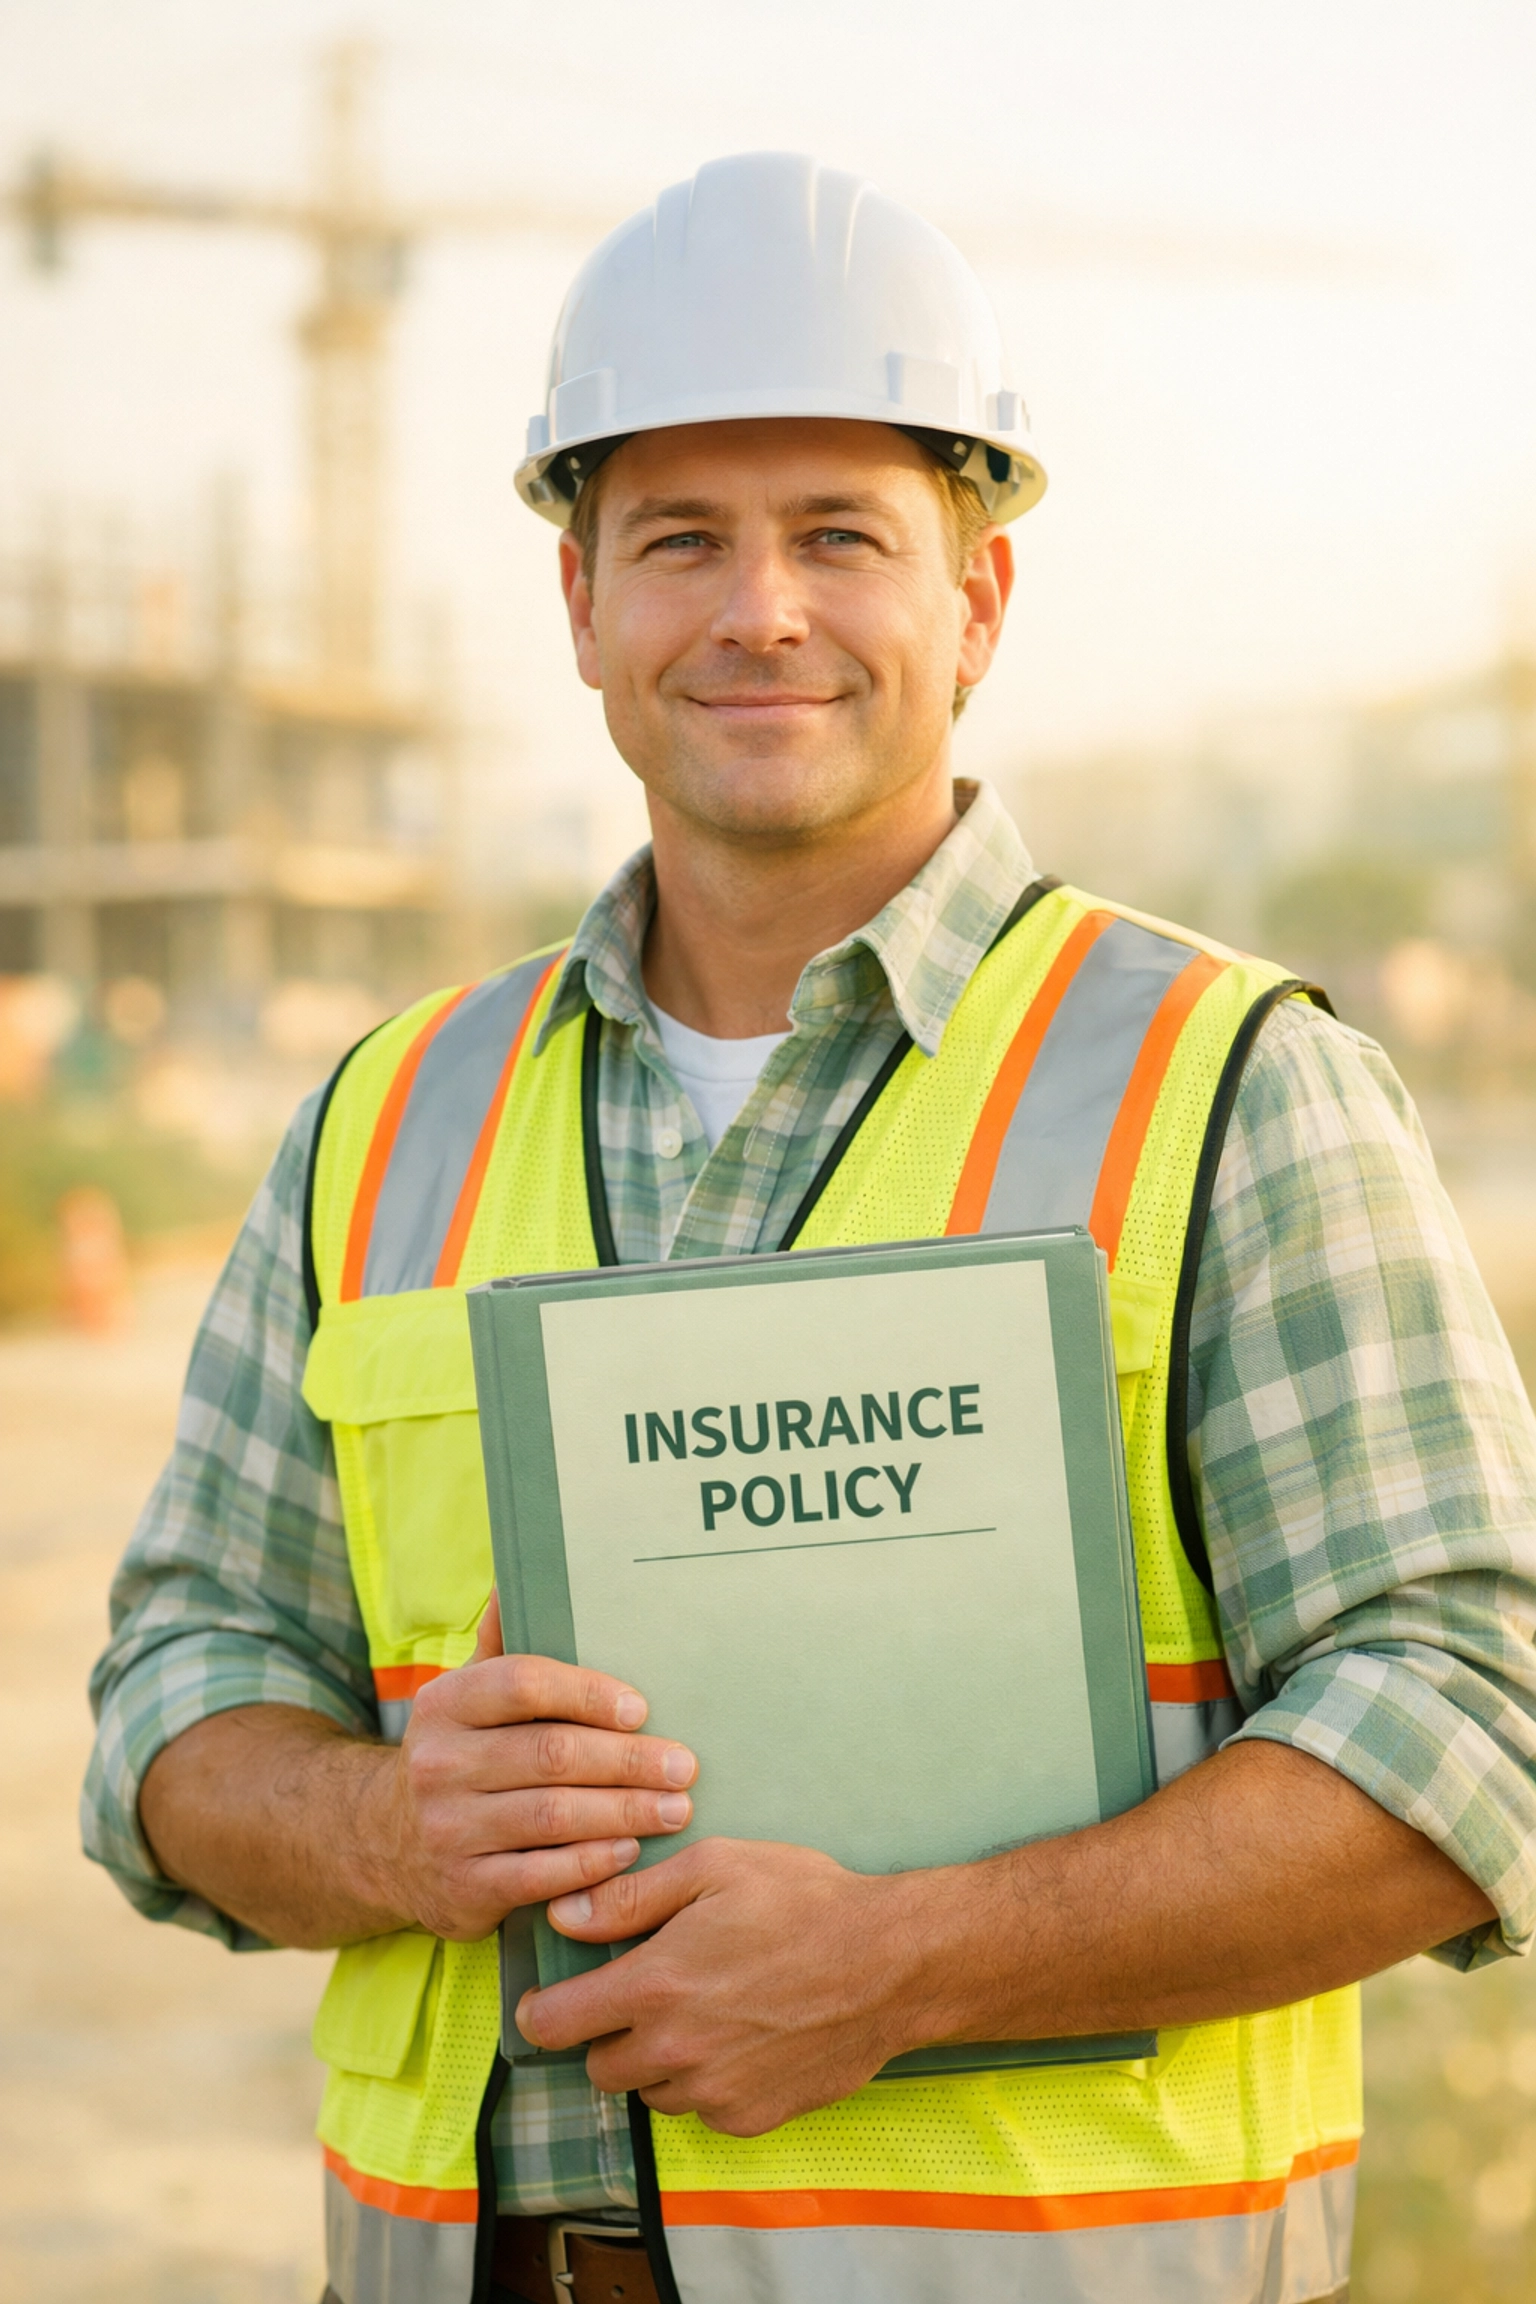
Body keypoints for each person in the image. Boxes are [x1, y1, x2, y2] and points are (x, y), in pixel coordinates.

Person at [86, 153, 1536, 2304]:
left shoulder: (1229, 1088)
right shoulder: (381, 1123)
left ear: (978, 602)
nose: (758, 608)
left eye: (839, 536)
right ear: (578, 600)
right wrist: (384, 1825)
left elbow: (1471, 1720)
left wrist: (914, 1962)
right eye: (680, 539)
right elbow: (174, 1709)